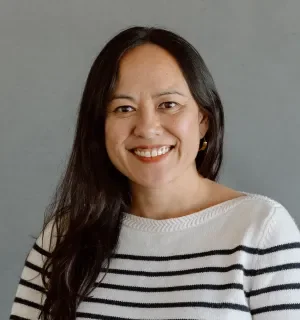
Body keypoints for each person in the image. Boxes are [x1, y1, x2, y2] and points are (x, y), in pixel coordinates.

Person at [10, 26, 300, 320]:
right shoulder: (63, 237)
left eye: (169, 105)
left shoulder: (261, 231)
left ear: (203, 120)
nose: (147, 128)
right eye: (124, 108)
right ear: (100, 127)